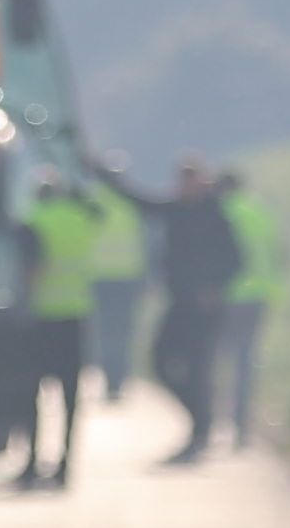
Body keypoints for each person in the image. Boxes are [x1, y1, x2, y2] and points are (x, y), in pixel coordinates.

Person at [100, 155, 243, 465]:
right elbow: (141, 203)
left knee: (199, 369)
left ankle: (200, 432)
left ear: (201, 182)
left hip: (206, 309)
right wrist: (106, 177)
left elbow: (235, 260)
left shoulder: (216, 214)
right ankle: (199, 420)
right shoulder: (176, 210)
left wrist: (214, 287)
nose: (184, 186)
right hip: (178, 303)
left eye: (190, 179)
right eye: (181, 179)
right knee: (160, 362)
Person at [14, 171, 98, 489]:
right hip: (76, 316)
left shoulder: (32, 220)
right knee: (70, 398)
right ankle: (65, 465)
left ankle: (31, 463)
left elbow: (30, 270)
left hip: (40, 318)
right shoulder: (80, 219)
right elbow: (98, 214)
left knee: (30, 395)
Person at [216, 172, 284, 450]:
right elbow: (278, 254)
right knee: (245, 361)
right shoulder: (259, 211)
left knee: (215, 358)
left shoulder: (221, 213)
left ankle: (214, 419)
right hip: (259, 296)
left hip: (227, 296)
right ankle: (240, 427)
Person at [86, 169, 148, 397]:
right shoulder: (131, 205)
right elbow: (147, 243)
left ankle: (110, 379)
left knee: (104, 333)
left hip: (100, 277)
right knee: (123, 332)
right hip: (127, 277)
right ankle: (118, 379)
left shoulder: (93, 203)